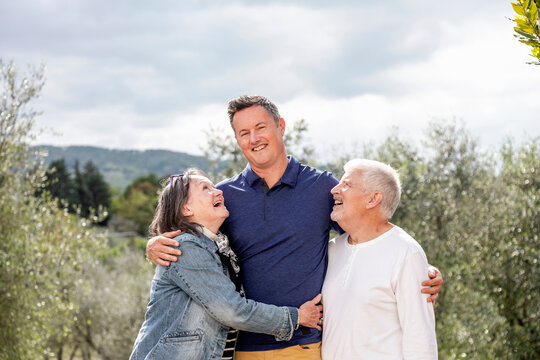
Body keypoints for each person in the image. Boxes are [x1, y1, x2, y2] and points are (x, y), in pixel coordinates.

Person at [146, 95, 443, 359]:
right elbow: (195, 245)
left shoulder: (322, 187)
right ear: (237, 140)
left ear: (281, 126)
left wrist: (420, 270)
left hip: (306, 347)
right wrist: (154, 245)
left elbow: (368, 234)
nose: (254, 139)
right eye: (243, 133)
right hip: (242, 349)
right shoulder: (224, 198)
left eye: (260, 127)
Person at [130, 169, 323, 360]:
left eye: (214, 186)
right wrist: (296, 317)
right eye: (205, 188)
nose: (218, 191)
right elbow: (230, 310)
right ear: (186, 208)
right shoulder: (185, 248)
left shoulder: (220, 247)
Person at [322, 159, 437, 359]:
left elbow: (420, 340)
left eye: (346, 184)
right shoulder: (332, 251)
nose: (335, 189)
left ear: (373, 199)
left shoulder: (407, 253)